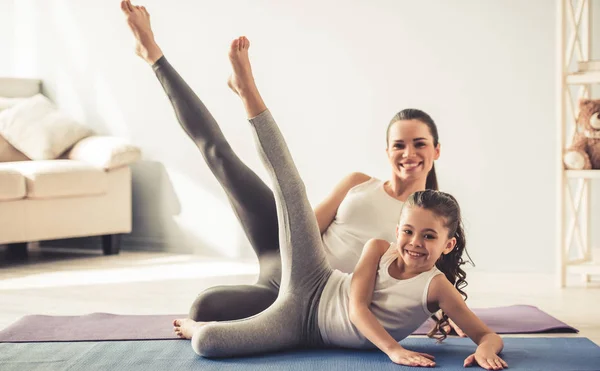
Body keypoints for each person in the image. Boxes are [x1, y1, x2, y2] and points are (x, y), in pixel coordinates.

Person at [154, 32, 505, 370]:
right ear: (398, 227)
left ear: (447, 242)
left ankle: (197, 326)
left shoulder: (435, 267)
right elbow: (347, 292)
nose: (415, 242)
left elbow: (481, 331)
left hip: (301, 322)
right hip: (309, 273)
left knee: (206, 339)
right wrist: (394, 350)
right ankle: (244, 90)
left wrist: (482, 342)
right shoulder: (375, 233)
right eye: (399, 144)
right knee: (284, 185)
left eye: (428, 236)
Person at [120, 0, 466, 336]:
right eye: (399, 145)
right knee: (220, 156)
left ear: (436, 150)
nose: (409, 153)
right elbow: (305, 224)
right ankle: (153, 53)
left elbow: (427, 284)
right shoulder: (359, 182)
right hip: (286, 246)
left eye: (419, 144)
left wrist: (448, 317)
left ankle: (243, 90)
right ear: (387, 150)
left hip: (304, 294)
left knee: (204, 309)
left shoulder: (431, 222)